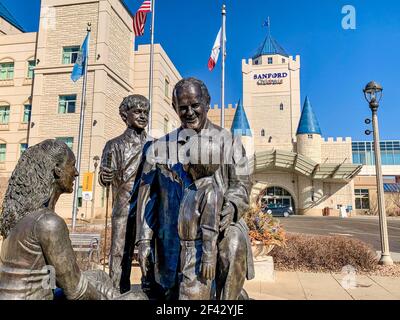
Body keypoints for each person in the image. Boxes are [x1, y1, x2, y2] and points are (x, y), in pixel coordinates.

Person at [134, 77, 255, 300]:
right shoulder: (159, 148)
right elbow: (146, 196)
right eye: (182, 107)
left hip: (217, 227)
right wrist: (143, 239)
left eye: (195, 105)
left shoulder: (229, 142)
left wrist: (232, 207)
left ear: (207, 103)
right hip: (173, 232)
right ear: (174, 108)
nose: (189, 112)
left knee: (234, 241)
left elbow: (242, 185)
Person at [0, 140, 146, 300]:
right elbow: (77, 292)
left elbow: (55, 276)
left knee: (98, 275)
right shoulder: (48, 223)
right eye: (72, 165)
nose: (76, 172)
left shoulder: (24, 217)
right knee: (137, 298)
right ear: (57, 170)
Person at [99, 95, 150, 291]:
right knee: (120, 251)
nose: (143, 116)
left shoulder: (153, 145)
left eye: (145, 112)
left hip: (147, 207)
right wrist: (105, 175)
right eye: (138, 111)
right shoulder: (114, 145)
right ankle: (118, 290)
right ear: (124, 115)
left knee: (150, 250)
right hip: (123, 206)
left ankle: (149, 287)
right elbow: (104, 178)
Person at [178, 137, 223, 300]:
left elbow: (210, 229)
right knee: (185, 291)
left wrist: (208, 258)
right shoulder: (192, 189)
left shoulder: (210, 191)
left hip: (198, 252)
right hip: (185, 249)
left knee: (192, 294)